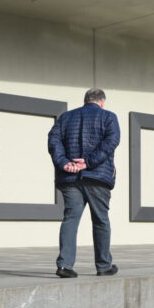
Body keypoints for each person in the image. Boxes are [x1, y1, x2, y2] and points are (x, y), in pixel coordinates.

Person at [48, 88, 120, 278]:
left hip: (70, 178)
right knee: (101, 221)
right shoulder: (109, 117)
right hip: (97, 177)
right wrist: (88, 162)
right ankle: (104, 266)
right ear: (102, 102)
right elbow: (111, 142)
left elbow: (53, 140)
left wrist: (65, 163)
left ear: (85, 100)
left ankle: (64, 265)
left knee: (70, 219)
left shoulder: (65, 117)